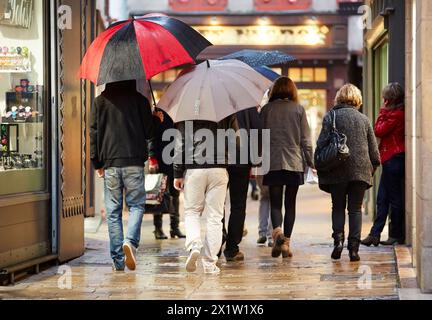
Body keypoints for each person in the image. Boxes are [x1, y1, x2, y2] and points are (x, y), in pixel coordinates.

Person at [90, 80, 161, 272]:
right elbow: (149, 133)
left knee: (113, 212)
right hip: (134, 163)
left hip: (111, 163)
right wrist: (156, 118)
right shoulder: (140, 100)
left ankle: (118, 260)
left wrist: (96, 163)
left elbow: (93, 133)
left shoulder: (99, 102)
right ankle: (130, 241)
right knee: (136, 206)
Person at [316, 84, 381, 262]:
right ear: (357, 99)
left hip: (337, 169)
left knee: (337, 207)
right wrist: (371, 168)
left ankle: (338, 242)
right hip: (360, 171)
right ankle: (354, 249)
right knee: (355, 209)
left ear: (338, 98)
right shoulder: (364, 119)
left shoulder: (331, 116)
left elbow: (321, 144)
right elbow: (374, 153)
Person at [174, 116, 238, 275]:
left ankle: (194, 245)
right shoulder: (226, 110)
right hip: (219, 168)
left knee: (192, 212)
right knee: (215, 217)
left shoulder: (188, 111)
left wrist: (177, 172)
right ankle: (210, 263)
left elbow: (181, 143)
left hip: (194, 168)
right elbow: (235, 142)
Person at [260, 77, 314, 259]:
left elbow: (258, 136)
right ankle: (286, 244)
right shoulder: (298, 109)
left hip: (272, 161)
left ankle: (277, 233)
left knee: (275, 202)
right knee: (290, 204)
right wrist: (312, 162)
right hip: (294, 162)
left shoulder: (266, 110)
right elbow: (306, 140)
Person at [362, 83, 405, 247]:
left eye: (385, 97)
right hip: (390, 159)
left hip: (394, 158)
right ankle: (375, 234)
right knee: (382, 199)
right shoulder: (395, 113)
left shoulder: (396, 115)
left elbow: (378, 130)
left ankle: (395, 234)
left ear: (390, 99)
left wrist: (382, 112)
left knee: (394, 199)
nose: (383, 100)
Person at [223, 107, 263, 262]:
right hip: (242, 159)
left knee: (217, 205)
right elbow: (259, 129)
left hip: (219, 160)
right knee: (238, 205)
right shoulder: (247, 104)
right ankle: (232, 248)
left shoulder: (214, 100)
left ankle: (218, 238)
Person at [148, 107, 186, 240]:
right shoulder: (160, 113)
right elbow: (152, 136)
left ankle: (174, 228)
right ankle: (158, 228)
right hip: (161, 159)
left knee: (175, 193)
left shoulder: (182, 113)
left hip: (177, 160)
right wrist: (152, 158)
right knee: (159, 194)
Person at [256, 175, 273, 247]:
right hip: (277, 169)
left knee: (264, 197)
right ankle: (272, 236)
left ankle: (262, 233)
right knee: (275, 200)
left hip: (261, 169)